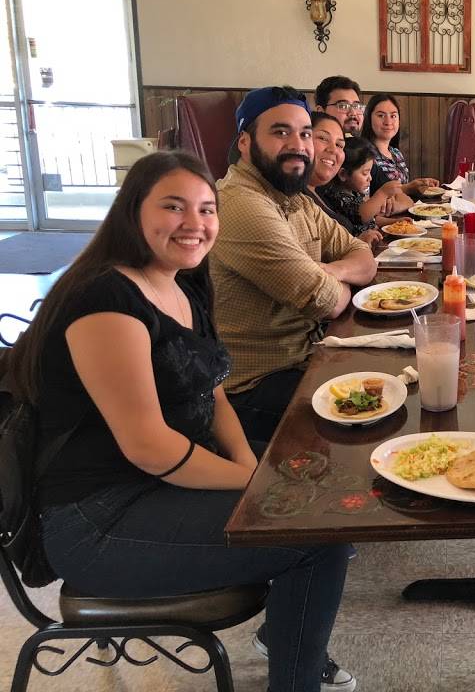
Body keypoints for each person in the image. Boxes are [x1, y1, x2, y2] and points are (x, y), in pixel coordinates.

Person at [5, 150, 358, 692]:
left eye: (206, 209)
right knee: (317, 533)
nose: (195, 223)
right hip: (99, 518)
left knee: (319, 468)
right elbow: (149, 448)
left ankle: (290, 634)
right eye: (173, 206)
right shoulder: (104, 300)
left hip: (160, 483)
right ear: (133, 211)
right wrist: (252, 481)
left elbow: (212, 394)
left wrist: (249, 464)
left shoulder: (183, 281)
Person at [210, 86, 377, 443]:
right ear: (245, 142)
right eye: (280, 132)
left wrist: (333, 272)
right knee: (375, 415)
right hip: (254, 389)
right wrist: (334, 284)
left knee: (393, 377)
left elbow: (363, 256)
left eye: (304, 134)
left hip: (308, 355)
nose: (298, 145)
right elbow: (327, 303)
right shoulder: (241, 204)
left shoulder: (293, 198)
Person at [303, 113, 383, 245]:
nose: (333, 149)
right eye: (323, 138)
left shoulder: (319, 193)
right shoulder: (297, 199)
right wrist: (358, 243)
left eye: (339, 145)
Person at [318, 134, 414, 233]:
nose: (370, 178)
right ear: (343, 174)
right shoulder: (337, 197)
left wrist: (393, 222)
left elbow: (372, 219)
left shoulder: (354, 192)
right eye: (365, 173)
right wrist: (382, 193)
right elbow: (362, 216)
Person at [360, 92, 439, 196]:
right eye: (381, 115)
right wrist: (410, 187)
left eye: (393, 116)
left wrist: (420, 184)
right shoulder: (364, 155)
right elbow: (372, 194)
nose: (388, 122)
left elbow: (403, 188)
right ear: (368, 118)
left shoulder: (396, 153)